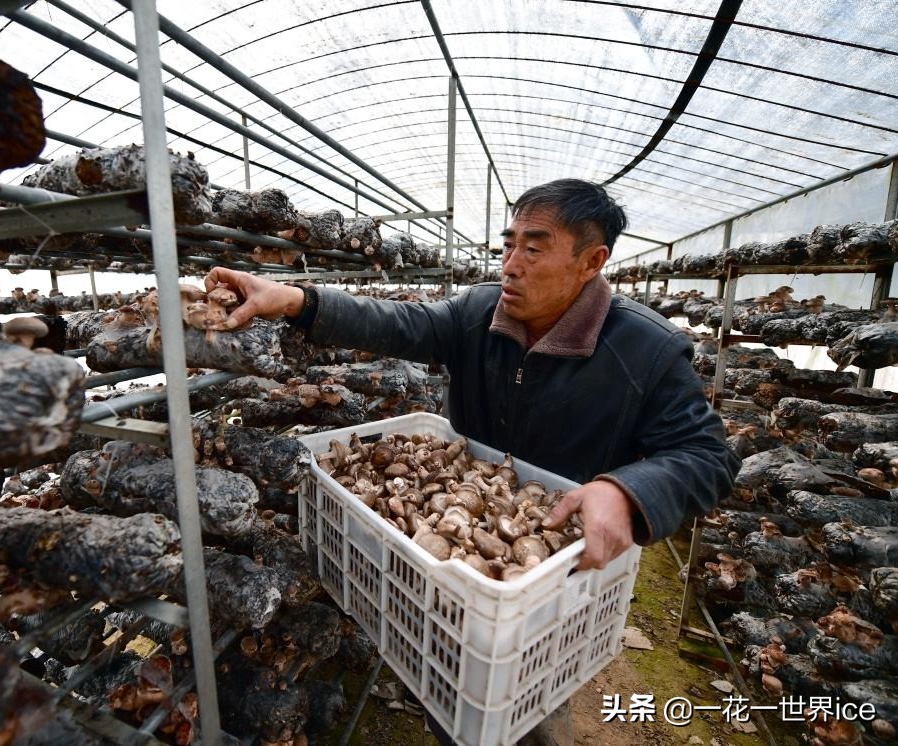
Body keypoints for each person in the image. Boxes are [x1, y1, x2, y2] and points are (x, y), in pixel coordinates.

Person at [205, 178, 741, 744]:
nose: (511, 264)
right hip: (462, 553)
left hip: (555, 576)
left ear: (592, 261)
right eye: (508, 245)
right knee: (449, 684)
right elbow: (398, 324)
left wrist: (627, 490)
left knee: (523, 708)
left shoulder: (646, 350)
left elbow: (709, 456)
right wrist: (295, 300)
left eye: (533, 249)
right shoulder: (480, 311)